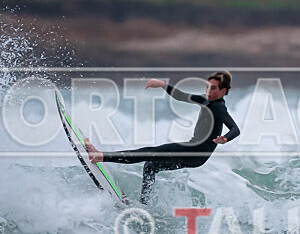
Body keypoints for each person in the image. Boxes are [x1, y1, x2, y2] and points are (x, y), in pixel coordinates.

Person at [84, 71, 240, 204]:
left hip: (196, 151)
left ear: (223, 91)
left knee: (149, 152)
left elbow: (235, 129)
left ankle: (100, 156)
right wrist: (163, 85)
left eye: (213, 88)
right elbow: (181, 96)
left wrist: (225, 138)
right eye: (207, 86)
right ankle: (145, 204)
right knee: (150, 166)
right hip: (195, 154)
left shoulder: (219, 107)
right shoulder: (207, 100)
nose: (208, 91)